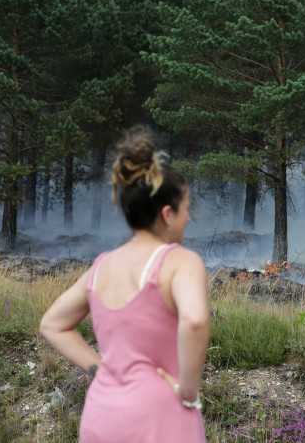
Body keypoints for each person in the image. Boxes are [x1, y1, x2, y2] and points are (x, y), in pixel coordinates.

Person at [39, 127, 209, 442]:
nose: (190, 219)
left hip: (102, 414)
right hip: (159, 417)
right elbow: (195, 320)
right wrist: (187, 391)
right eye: (187, 209)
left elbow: (52, 324)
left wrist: (99, 370)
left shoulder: (101, 267)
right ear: (167, 214)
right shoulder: (181, 262)